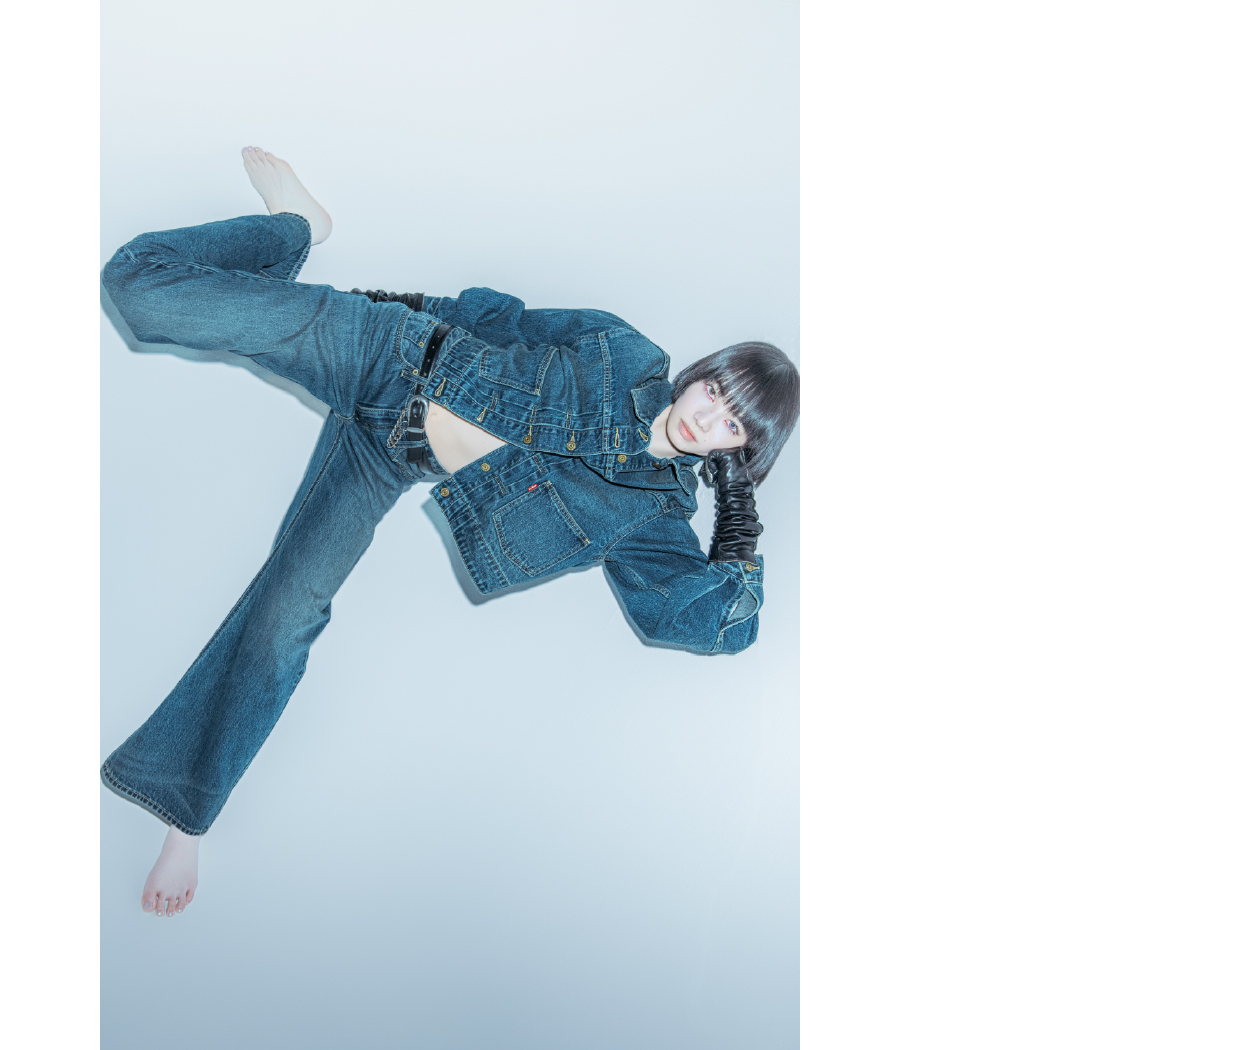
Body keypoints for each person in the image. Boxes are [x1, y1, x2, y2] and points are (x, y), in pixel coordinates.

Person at [99, 148, 799, 918]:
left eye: (732, 425)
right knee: (138, 285)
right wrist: (373, 303)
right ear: (699, 374)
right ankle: (294, 228)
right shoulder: (626, 353)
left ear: (741, 451)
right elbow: (500, 320)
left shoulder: (652, 515)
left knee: (285, 618)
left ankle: (185, 813)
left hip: (387, 453)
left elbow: (707, 625)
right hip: (383, 348)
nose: (706, 416)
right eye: (714, 390)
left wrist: (737, 507)